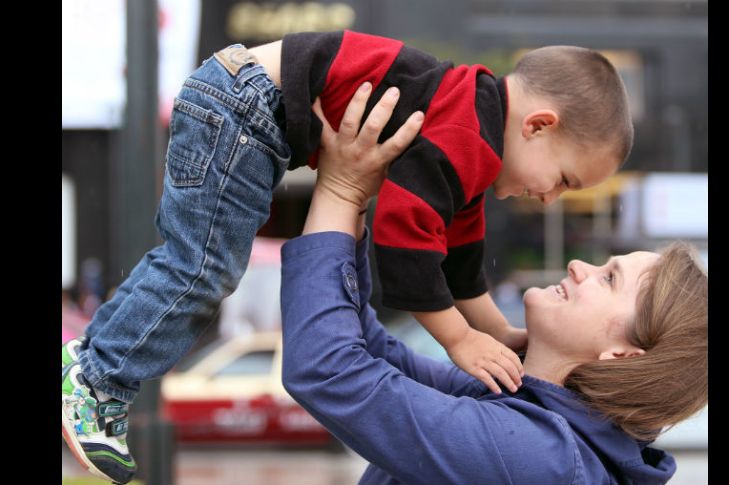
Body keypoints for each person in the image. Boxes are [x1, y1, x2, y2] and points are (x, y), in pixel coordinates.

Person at [62, 29, 632, 483]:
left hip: (246, 102)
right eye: (562, 179)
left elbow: (460, 258)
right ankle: (96, 375)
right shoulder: (463, 137)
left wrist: (496, 332)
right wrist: (460, 340)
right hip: (245, 105)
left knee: (200, 265)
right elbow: (405, 244)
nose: (550, 197)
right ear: (538, 125)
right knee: (203, 267)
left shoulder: (473, 138)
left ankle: (94, 368)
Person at [279, 87, 708, 484]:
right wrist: (356, 193)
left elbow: (329, 369)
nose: (579, 265)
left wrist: (342, 189)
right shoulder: (525, 405)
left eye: (609, 278)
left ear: (622, 356)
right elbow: (372, 350)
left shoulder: (537, 456)